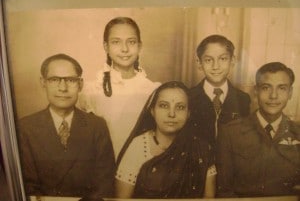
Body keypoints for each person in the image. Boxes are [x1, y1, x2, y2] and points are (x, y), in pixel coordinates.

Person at [18, 54, 115, 199]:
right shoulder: (25, 128)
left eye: (70, 80)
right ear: (43, 83)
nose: (63, 88)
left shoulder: (97, 126)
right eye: (54, 80)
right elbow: (27, 186)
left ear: (80, 84)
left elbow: (104, 183)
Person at [115, 81, 216, 198]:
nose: (171, 114)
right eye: (164, 105)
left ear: (188, 113)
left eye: (180, 107)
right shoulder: (138, 147)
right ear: (152, 111)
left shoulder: (201, 149)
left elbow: (209, 198)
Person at [79, 17, 160, 157]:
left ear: (139, 46)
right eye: (116, 42)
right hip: (104, 169)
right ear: (106, 47)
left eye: (131, 42)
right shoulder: (91, 91)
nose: (125, 49)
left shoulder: (153, 90)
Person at [216, 62, 300, 197]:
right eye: (266, 88)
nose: (273, 96)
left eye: (282, 88)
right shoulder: (230, 132)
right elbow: (224, 191)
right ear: (256, 91)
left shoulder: (298, 133)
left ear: (290, 93)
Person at [189, 34, 251, 149]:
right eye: (208, 60)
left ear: (232, 60)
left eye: (223, 59)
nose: (216, 66)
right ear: (199, 62)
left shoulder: (243, 99)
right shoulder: (188, 97)